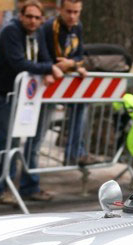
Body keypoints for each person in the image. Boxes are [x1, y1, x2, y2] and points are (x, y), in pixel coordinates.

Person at [0, 0, 70, 204]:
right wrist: (48, 70)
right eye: (29, 16)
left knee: (17, 138)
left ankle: (21, 187)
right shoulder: (11, 32)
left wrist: (48, 68)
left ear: (42, 19)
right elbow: (18, 62)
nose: (33, 21)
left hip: (18, 96)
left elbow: (45, 58)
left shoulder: (37, 33)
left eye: (37, 18)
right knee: (9, 138)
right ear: (20, 16)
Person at [41, 0, 89, 165]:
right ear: (60, 9)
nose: (72, 16)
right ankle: (29, 172)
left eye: (76, 12)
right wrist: (51, 67)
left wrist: (72, 65)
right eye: (69, 11)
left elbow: (80, 56)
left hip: (66, 80)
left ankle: (74, 154)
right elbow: (43, 53)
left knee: (81, 107)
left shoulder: (78, 27)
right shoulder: (49, 27)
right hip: (48, 82)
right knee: (41, 128)